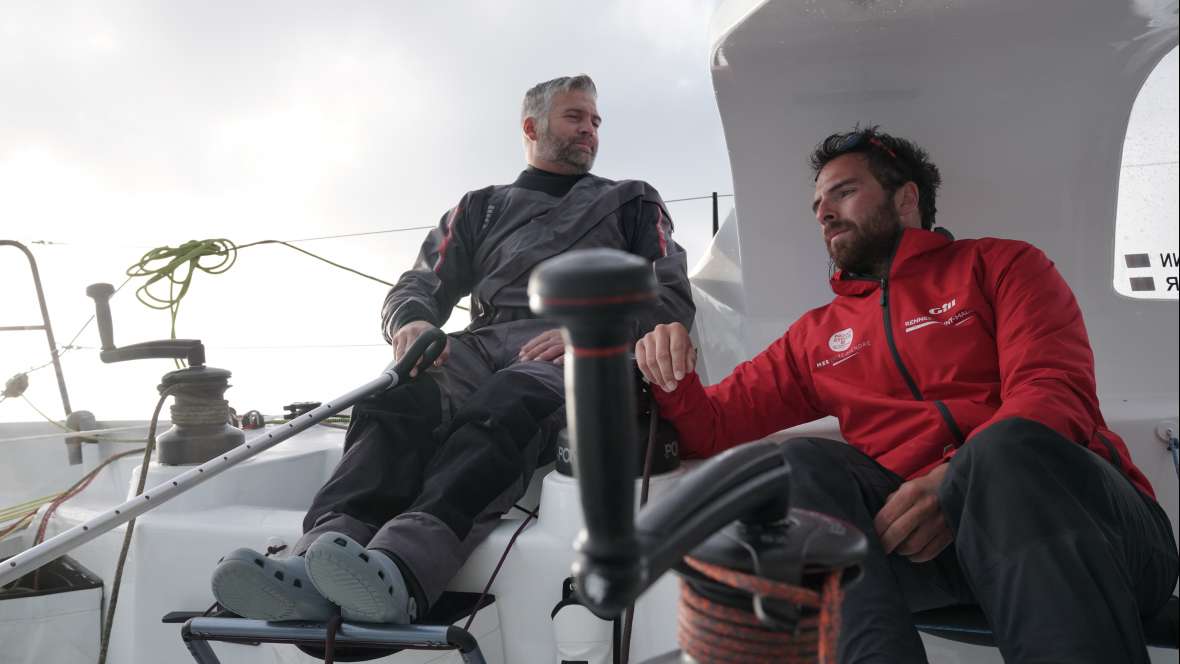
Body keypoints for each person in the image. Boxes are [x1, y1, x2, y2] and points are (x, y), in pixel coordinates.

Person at [635, 126, 1178, 663]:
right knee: (789, 467)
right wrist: (669, 370)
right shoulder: (818, 336)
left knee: (1004, 449)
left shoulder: (1001, 265)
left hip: (1088, 532)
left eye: (843, 192)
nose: (824, 212)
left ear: (907, 197)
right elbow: (710, 427)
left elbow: (1052, 391)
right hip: (932, 555)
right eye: (818, 203)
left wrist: (955, 483)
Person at [211, 74, 694, 625]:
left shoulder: (631, 199)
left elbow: (667, 288)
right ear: (532, 127)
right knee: (397, 398)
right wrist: (411, 323)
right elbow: (419, 285)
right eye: (575, 117)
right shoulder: (479, 209)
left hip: (574, 351)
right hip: (479, 343)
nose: (590, 130)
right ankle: (318, 558)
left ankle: (403, 568)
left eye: (595, 121)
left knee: (504, 405)